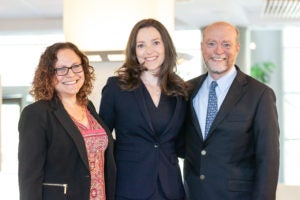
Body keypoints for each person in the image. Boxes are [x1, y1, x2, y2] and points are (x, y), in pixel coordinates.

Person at [182, 21, 280, 200]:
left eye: (226, 44)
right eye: (211, 44)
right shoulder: (186, 90)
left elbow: (268, 160)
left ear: (237, 48)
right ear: (202, 47)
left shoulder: (260, 95)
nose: (219, 51)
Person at [99, 18, 189, 200]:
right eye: (141, 45)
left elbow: (181, 143)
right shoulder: (116, 87)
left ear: (166, 46)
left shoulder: (179, 91)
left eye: (155, 42)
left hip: (170, 189)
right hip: (129, 187)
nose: (149, 51)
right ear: (134, 51)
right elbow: (102, 141)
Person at [18, 42, 116, 200]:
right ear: (48, 74)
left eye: (76, 66)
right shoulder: (36, 114)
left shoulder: (88, 106)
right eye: (61, 69)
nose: (71, 74)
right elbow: (29, 177)